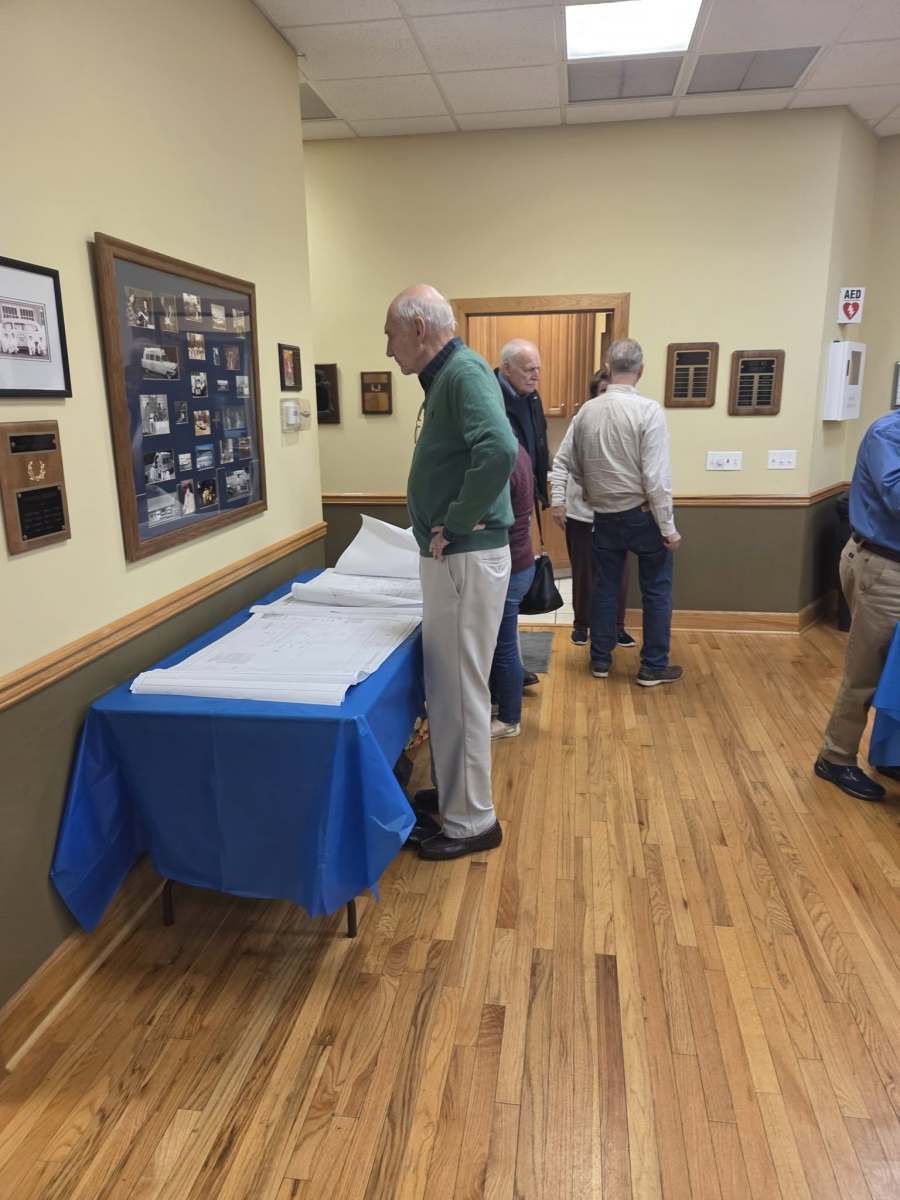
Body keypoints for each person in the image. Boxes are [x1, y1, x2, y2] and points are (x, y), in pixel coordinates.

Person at [386, 284, 518, 860]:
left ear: (419, 329)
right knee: (448, 687)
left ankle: (471, 823)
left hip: (464, 557)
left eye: (391, 335)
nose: (388, 349)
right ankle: (454, 797)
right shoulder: (448, 378)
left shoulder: (462, 373)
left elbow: (500, 450)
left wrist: (457, 521)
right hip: (457, 560)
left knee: (460, 691)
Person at [569, 338, 683, 686]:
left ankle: (600, 660)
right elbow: (656, 478)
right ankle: (652, 666)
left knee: (605, 587)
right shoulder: (648, 411)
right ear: (641, 370)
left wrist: (595, 495)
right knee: (656, 590)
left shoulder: (586, 412)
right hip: (643, 514)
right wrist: (668, 528)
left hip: (603, 516)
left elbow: (575, 467)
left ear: (608, 368)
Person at [814, 412, 900, 802]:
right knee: (867, 671)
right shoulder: (889, 433)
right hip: (883, 568)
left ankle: (891, 754)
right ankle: (835, 757)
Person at [550, 367, 635, 648]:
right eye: (603, 391)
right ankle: (582, 625)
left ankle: (616, 626)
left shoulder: (631, 421)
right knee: (585, 574)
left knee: (619, 575)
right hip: (581, 515)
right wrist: (558, 502)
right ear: (594, 395)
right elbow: (561, 463)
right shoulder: (581, 420)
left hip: (619, 514)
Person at [495, 338, 549, 689]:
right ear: (507, 368)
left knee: (508, 604)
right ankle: (508, 673)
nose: (536, 375)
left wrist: (541, 490)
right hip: (503, 504)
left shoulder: (530, 396)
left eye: (538, 369)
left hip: (524, 496)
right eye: (530, 369)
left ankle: (510, 669)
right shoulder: (493, 396)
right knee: (505, 600)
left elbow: (538, 443)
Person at [489, 442, 535, 739]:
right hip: (519, 562)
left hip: (509, 567)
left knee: (503, 647)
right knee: (500, 645)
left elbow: (494, 518)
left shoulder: (502, 457)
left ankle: (508, 719)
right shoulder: (517, 450)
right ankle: (500, 703)